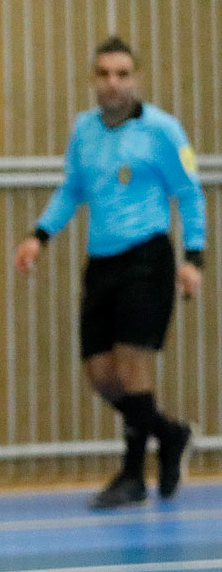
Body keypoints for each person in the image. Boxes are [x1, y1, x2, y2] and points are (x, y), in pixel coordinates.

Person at [13, 36, 205, 510]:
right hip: (102, 264)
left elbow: (191, 193)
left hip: (147, 259)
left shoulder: (162, 131)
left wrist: (193, 259)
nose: (113, 83)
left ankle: (133, 474)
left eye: (122, 74)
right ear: (94, 79)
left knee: (131, 365)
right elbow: (72, 189)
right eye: (104, 74)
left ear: (135, 78)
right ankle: (170, 433)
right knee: (101, 375)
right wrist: (39, 236)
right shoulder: (85, 130)